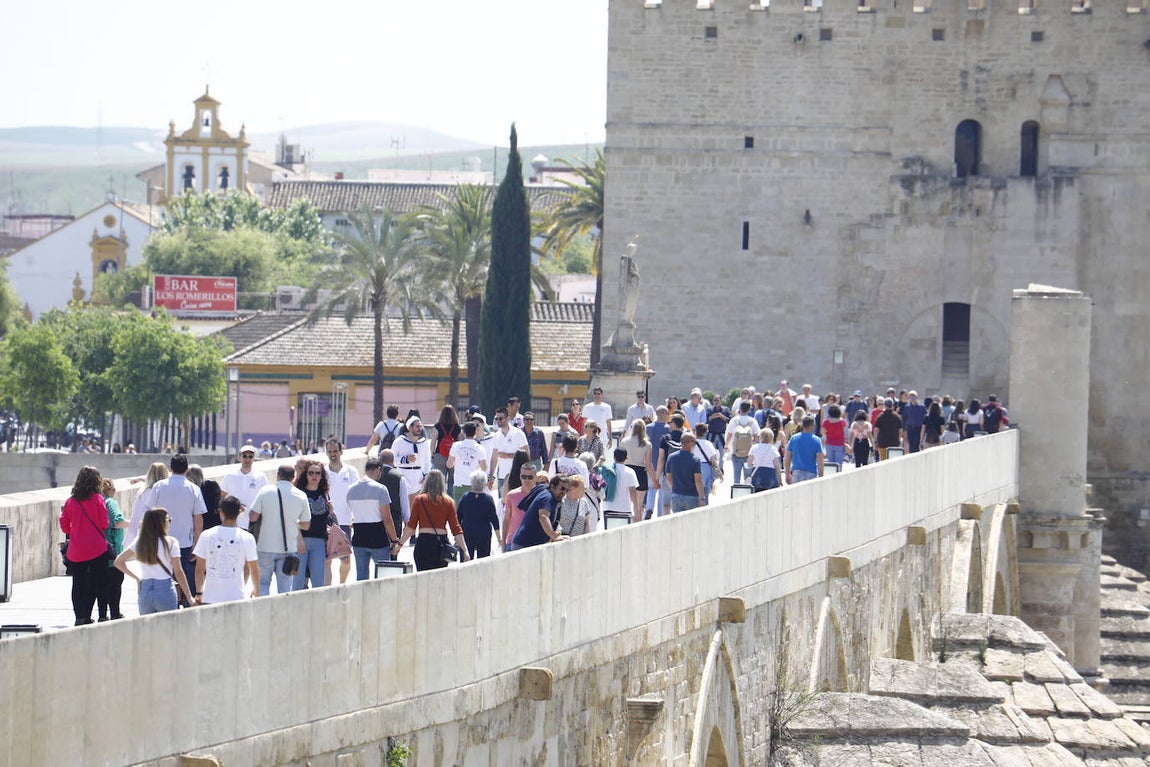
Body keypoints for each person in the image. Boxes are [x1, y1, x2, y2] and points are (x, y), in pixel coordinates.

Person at [149, 454, 206, 605]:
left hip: (160, 539)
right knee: (182, 575)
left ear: (170, 468)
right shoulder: (194, 489)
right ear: (186, 469)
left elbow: (149, 513)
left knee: (163, 574)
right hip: (185, 542)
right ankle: (185, 603)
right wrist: (197, 544)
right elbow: (198, 520)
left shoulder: (159, 486)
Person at [115, 507, 195, 613]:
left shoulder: (140, 541)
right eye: (169, 519)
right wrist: (189, 596)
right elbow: (178, 572)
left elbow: (118, 562)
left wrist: (137, 578)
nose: (170, 522)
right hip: (165, 588)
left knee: (147, 623)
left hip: (145, 589)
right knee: (168, 622)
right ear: (162, 523)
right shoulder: (171, 542)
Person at [248, 464, 310, 595]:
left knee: (263, 583)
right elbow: (306, 525)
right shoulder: (301, 495)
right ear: (293, 477)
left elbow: (253, 517)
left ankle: (263, 607)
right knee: (285, 588)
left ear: (277, 475)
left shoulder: (265, 491)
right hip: (288, 548)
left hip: (265, 546)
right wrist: (294, 523)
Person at [60, 466, 109, 625]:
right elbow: (104, 523)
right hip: (97, 548)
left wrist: (75, 531)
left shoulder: (71, 501)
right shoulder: (98, 499)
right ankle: (90, 614)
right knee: (95, 582)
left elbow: (64, 525)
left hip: (77, 549)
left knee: (78, 583)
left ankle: (79, 616)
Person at [392, 470, 470, 571]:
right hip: (441, 544)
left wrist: (400, 544)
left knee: (422, 575)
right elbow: (456, 528)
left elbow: (411, 526)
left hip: (424, 543)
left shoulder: (419, 500)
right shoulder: (449, 502)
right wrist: (465, 550)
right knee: (439, 577)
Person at [193, 497, 260, 604]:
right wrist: (256, 590)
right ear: (239, 512)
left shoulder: (206, 535)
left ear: (221, 512)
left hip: (210, 597)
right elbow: (253, 568)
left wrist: (199, 592)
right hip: (237, 597)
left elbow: (199, 569)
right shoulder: (247, 538)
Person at [347, 458, 401, 580]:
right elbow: (387, 518)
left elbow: (352, 513)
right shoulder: (380, 489)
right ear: (378, 470)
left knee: (361, 577)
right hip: (378, 538)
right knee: (384, 576)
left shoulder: (351, 489)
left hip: (359, 538)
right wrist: (394, 540)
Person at [293, 459, 332, 589]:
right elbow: (292, 519)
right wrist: (299, 541)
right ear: (306, 474)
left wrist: (330, 511)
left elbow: (325, 518)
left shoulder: (324, 493)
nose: (314, 476)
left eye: (317, 473)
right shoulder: (299, 493)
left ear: (322, 475)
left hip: (319, 542)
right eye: (311, 473)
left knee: (318, 582)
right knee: (298, 582)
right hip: (301, 541)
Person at [325, 439, 359, 584]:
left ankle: (342, 585)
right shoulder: (322, 472)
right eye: (329, 451)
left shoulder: (351, 471)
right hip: (327, 522)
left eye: (335, 451)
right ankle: (328, 590)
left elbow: (357, 495)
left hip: (345, 522)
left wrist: (355, 517)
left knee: (345, 559)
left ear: (341, 451)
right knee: (327, 560)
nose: (332, 454)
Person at [97, 477, 129, 621]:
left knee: (102, 585)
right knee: (116, 583)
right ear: (110, 489)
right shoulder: (110, 502)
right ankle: (115, 613)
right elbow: (118, 521)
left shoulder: (96, 502)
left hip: (99, 550)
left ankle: (102, 615)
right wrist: (138, 524)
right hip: (113, 549)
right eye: (113, 487)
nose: (115, 490)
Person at [510, 475, 569, 549]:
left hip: (530, 545)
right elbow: (543, 517)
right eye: (562, 489)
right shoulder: (547, 497)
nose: (564, 492)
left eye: (567, 490)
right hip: (525, 545)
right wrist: (554, 537)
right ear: (552, 486)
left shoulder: (551, 496)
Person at [220, 444, 268, 531]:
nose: (247, 459)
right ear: (239, 458)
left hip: (253, 522)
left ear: (254, 458)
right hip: (234, 522)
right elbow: (222, 496)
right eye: (245, 456)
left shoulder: (261, 476)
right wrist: (233, 506)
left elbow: (266, 498)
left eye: (250, 456)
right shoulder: (230, 476)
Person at [126, 462, 169, 555]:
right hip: (158, 533)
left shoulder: (144, 491)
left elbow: (137, 515)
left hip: (142, 532)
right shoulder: (164, 492)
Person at [457, 470, 502, 558]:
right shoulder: (488, 499)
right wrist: (499, 538)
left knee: (466, 560)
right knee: (483, 561)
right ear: (484, 483)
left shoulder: (465, 497)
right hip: (484, 533)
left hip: (467, 532)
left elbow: (458, 517)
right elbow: (494, 520)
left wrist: (457, 536)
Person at [448, 421, 489, 503]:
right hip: (474, 484)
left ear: (463, 432)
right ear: (475, 432)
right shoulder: (480, 448)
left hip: (459, 483)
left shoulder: (456, 445)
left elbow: (449, 464)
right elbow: (484, 468)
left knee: (459, 509)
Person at [490, 408, 529, 494]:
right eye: (496, 419)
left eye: (500, 418)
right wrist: (491, 477)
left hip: (517, 475)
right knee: (502, 501)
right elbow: (494, 458)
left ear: (508, 418)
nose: (498, 421)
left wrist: (508, 456)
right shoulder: (496, 436)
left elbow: (526, 454)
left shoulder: (518, 433)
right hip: (502, 477)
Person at [664, 432, 704, 512]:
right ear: (690, 443)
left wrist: (674, 489)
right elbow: (698, 480)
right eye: (695, 442)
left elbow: (668, 477)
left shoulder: (671, 457)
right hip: (692, 496)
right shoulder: (695, 459)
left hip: (676, 496)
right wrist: (702, 498)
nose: (695, 444)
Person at [502, 463, 538, 547]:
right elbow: (506, 519)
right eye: (523, 477)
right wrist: (503, 542)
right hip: (512, 541)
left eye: (530, 477)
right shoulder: (511, 495)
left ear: (535, 477)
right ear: (520, 477)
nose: (526, 480)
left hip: (534, 542)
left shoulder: (540, 495)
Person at [602, 447, 642, 522]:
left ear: (614, 457)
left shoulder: (607, 470)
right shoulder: (630, 472)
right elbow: (633, 492)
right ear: (626, 458)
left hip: (608, 507)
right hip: (624, 509)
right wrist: (636, 510)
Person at [725, 402, 761, 485]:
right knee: (747, 478)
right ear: (749, 410)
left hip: (736, 453)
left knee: (736, 477)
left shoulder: (734, 420)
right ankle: (747, 491)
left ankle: (736, 490)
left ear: (740, 409)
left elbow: (729, 434)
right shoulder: (752, 421)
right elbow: (756, 436)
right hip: (748, 454)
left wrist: (726, 445)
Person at [620, 420, 653, 508]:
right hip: (641, 473)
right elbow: (648, 465)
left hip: (627, 471)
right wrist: (655, 480)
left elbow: (620, 459)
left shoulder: (624, 441)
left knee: (627, 503)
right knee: (639, 505)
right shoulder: (647, 444)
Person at [431, 405, 461, 494]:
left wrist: (432, 455)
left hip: (439, 455)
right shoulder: (457, 427)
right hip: (453, 457)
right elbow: (460, 442)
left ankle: (440, 499)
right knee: (452, 481)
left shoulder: (437, 426)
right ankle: (451, 499)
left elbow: (433, 442)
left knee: (439, 481)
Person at [785, 416, 825, 483]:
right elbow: (820, 460)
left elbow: (787, 458)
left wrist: (787, 474)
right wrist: (821, 477)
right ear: (812, 426)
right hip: (811, 473)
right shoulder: (817, 440)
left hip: (797, 472)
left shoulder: (794, 438)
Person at [393, 415, 432, 486]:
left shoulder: (424, 443)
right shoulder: (399, 441)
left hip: (419, 478)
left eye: (420, 426)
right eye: (417, 426)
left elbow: (427, 461)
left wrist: (426, 476)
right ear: (410, 427)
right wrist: (405, 459)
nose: (419, 429)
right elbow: (392, 459)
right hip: (403, 476)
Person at [692, 423, 722, 504]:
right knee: (705, 492)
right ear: (706, 432)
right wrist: (719, 471)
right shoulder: (708, 444)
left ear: (695, 431)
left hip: (694, 467)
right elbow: (713, 460)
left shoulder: (692, 443)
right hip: (706, 468)